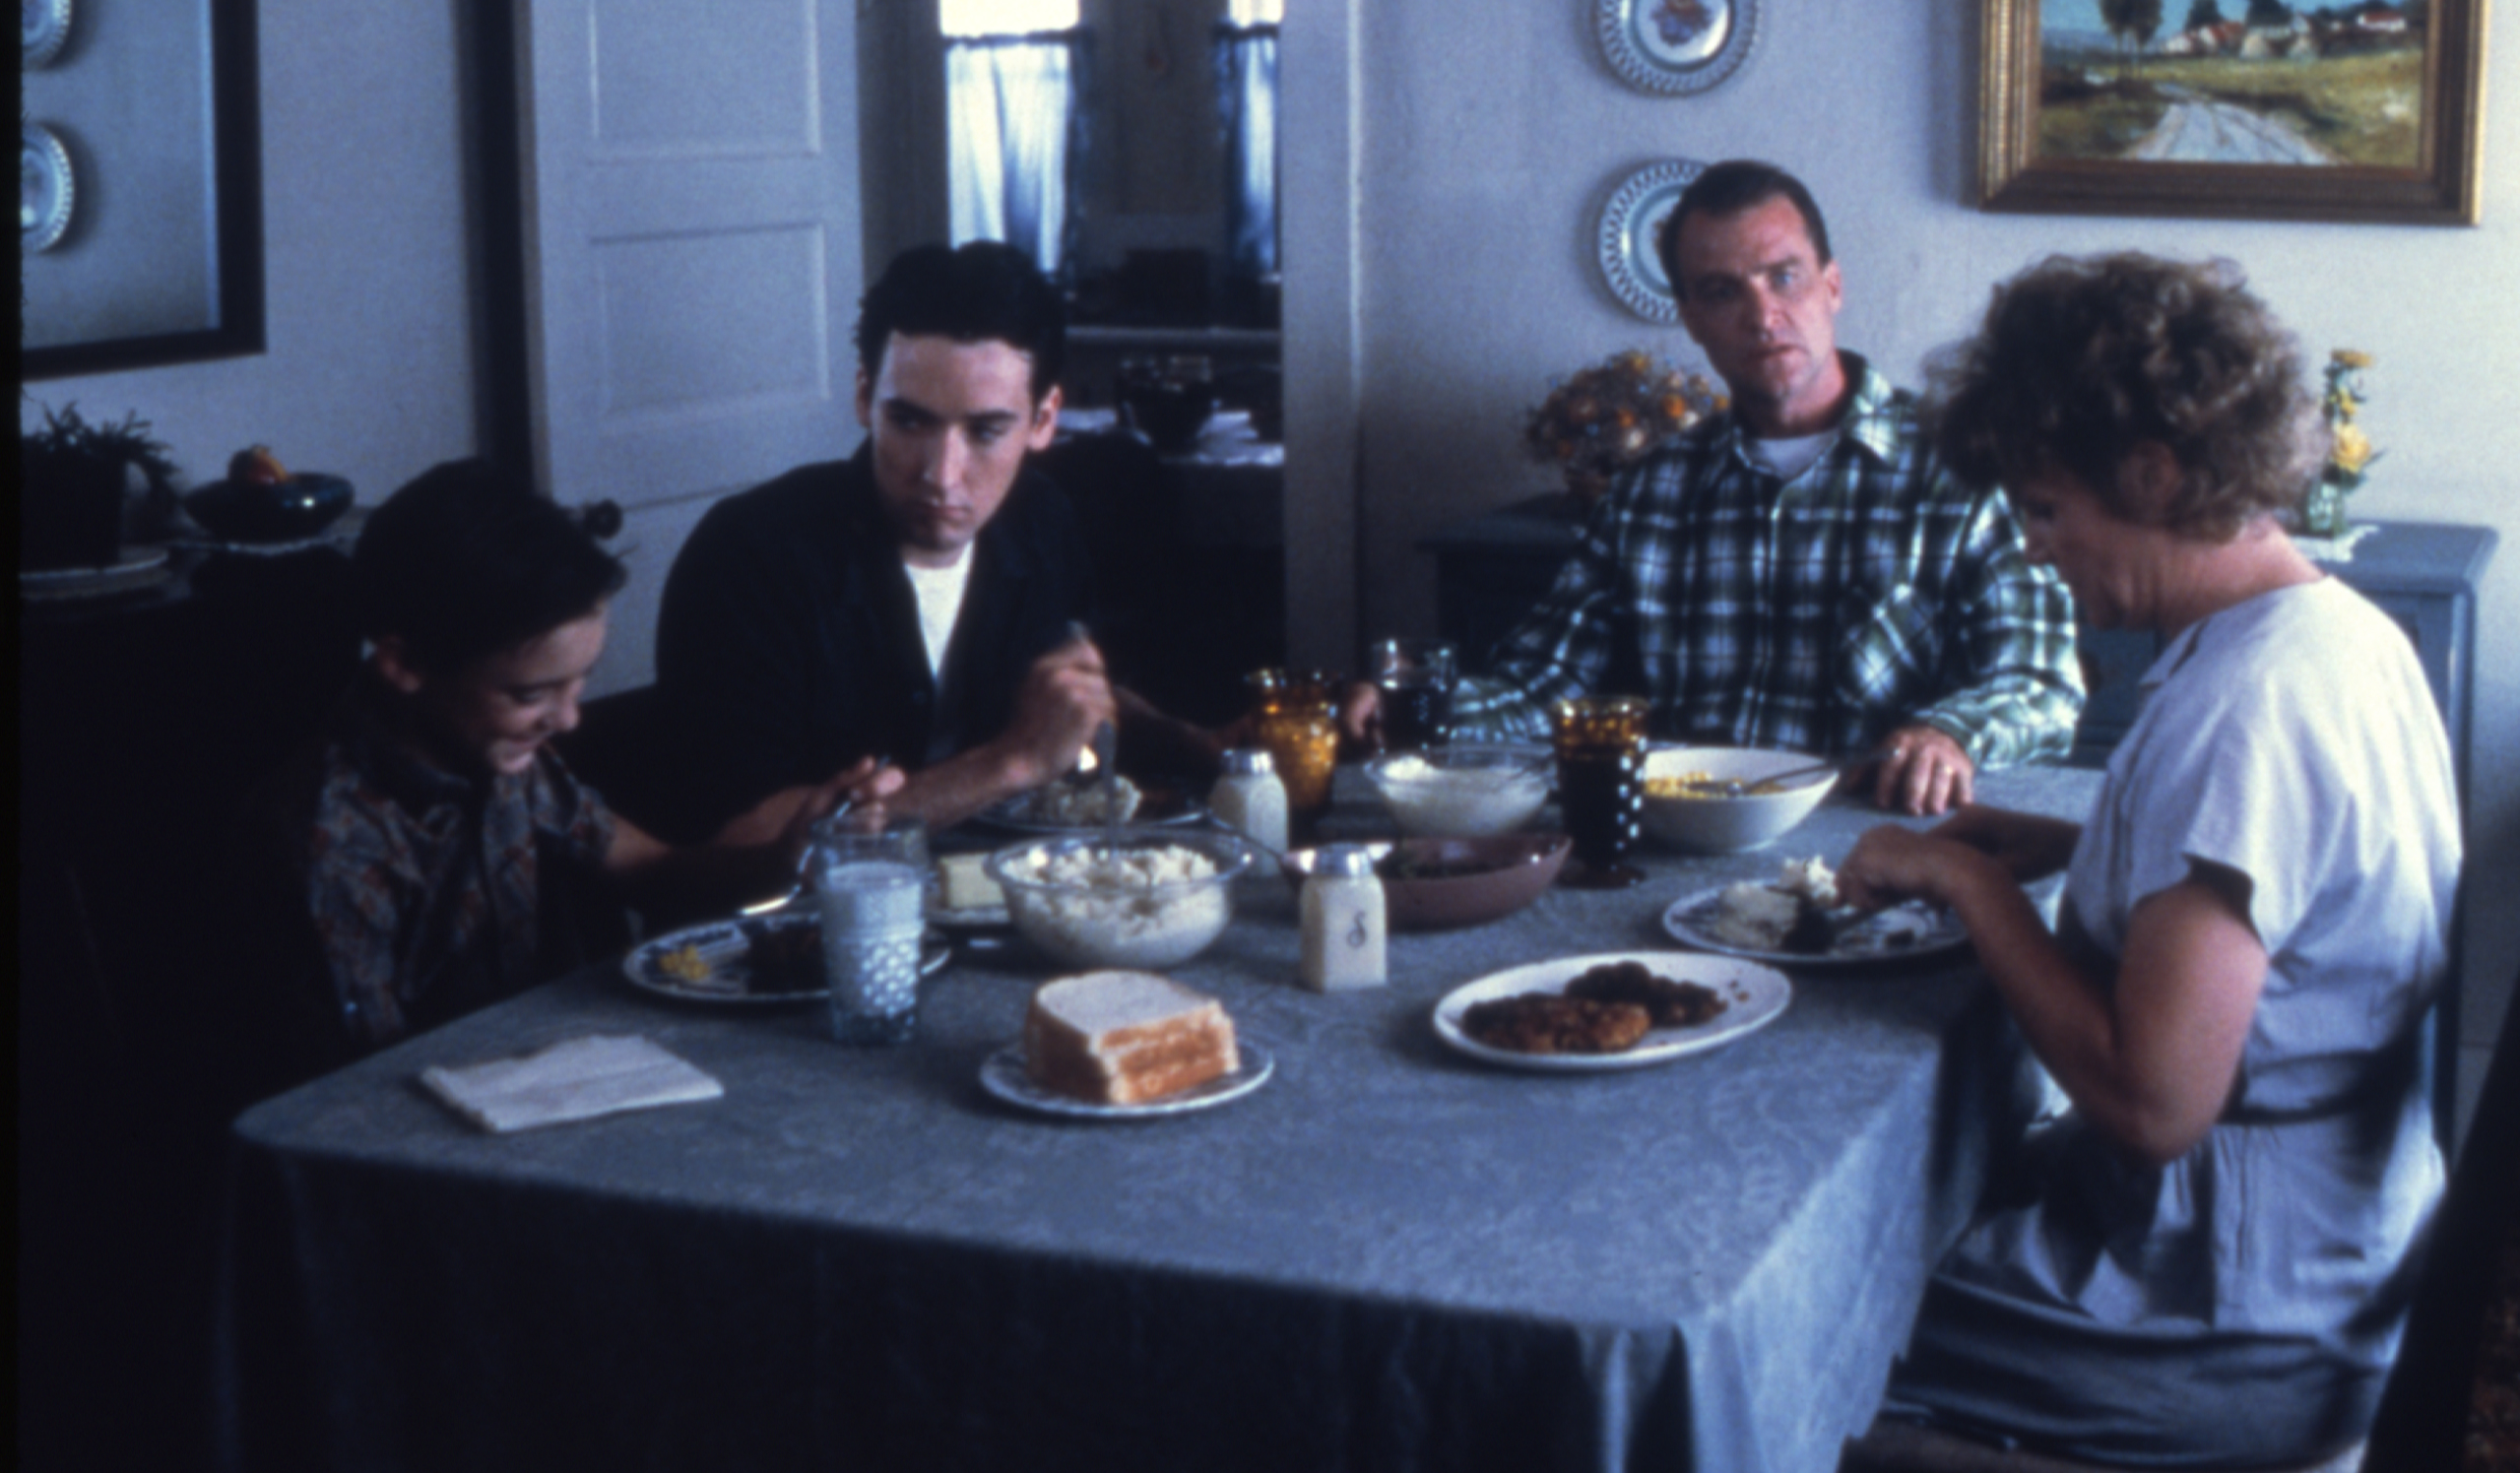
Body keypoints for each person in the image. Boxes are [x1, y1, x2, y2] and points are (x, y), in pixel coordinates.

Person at [1836, 251, 2460, 1471]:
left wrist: (1967, 881)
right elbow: (2285, 912)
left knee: (1766, 1319)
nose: (2031, 548)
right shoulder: (2334, 632)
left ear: (2156, 475)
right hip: (2334, 1250)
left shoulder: (2250, 710)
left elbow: (2150, 1101)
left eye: (2047, 509)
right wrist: (2069, 846)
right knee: (1869, 1228)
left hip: (2229, 1323)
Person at [1348, 159, 2081, 812]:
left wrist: (1947, 733)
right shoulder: (1651, 493)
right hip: (1684, 842)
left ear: (1833, 285)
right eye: (1723, 291)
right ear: (1691, 319)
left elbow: (2040, 685)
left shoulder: (1968, 469)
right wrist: (1414, 702)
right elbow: (1545, 684)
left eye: (1784, 276)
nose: (1763, 316)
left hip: (1874, 838)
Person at [232, 461, 898, 1084]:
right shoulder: (332, 840)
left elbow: (654, 869)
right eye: (531, 695)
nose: (570, 720)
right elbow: (359, 1095)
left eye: (579, 684)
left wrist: (788, 857)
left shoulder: (505, 763)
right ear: (404, 664)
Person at [651, 240, 1216, 841]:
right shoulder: (750, 556)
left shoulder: (1042, 523)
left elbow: (1064, 699)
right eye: (911, 421)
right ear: (865, 395)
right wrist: (1010, 763)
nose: (941, 475)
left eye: (985, 431)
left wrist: (1203, 746)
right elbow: (732, 840)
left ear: (1044, 419)